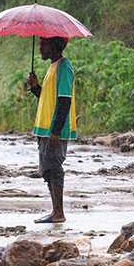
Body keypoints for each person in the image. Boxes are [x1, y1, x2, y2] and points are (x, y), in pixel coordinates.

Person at [26, 36, 76, 224]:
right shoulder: (53, 67)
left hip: (54, 130)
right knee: (47, 169)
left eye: (43, 45)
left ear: (54, 45)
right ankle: (55, 211)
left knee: (54, 168)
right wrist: (35, 87)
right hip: (45, 129)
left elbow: (64, 101)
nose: (40, 49)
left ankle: (58, 213)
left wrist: (56, 131)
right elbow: (48, 98)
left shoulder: (64, 67)